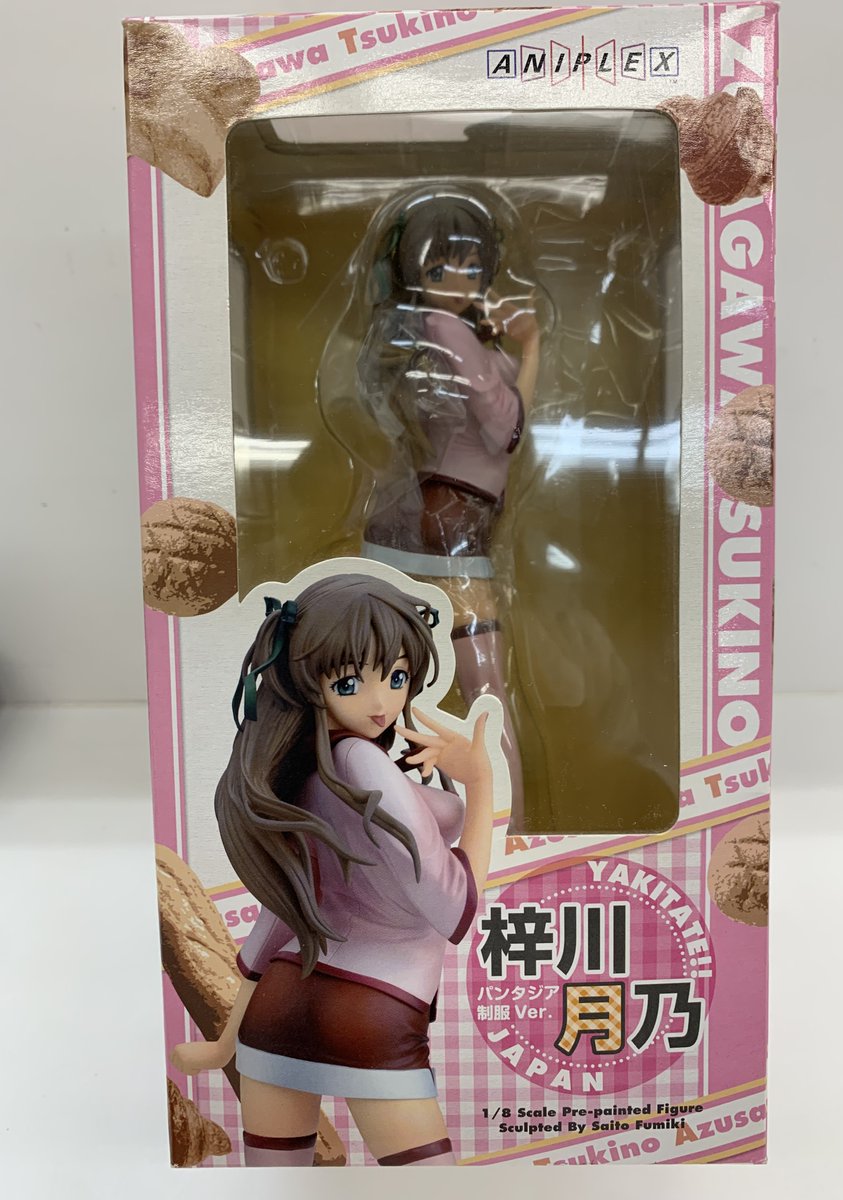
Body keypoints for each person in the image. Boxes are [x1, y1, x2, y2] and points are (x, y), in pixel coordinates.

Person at [171, 573, 493, 1167]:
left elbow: (277, 923)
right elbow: (454, 903)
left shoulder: (299, 774)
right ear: (309, 681)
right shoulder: (362, 763)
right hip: (371, 1016)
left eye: (397, 678)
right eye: (349, 683)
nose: (381, 704)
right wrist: (481, 783)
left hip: (277, 1012)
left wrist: (224, 1044)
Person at [355, 186, 541, 830]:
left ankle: (426, 821)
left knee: (411, 690)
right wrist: (534, 348)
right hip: (446, 527)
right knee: (484, 687)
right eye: (440, 269)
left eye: (469, 266)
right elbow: (504, 428)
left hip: (438, 518)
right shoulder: (446, 328)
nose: (459, 281)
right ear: (414, 275)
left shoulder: (439, 331)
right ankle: (507, 829)